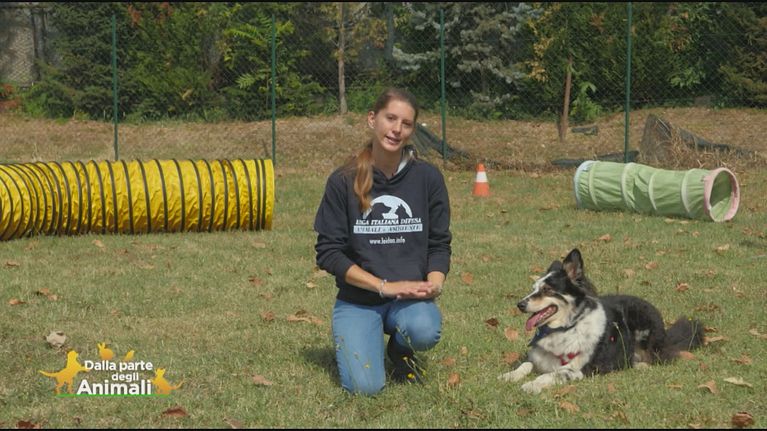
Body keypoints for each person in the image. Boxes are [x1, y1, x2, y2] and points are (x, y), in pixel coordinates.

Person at [313, 88, 452, 396]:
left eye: (406, 123)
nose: (397, 129)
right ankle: (364, 336)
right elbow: (329, 253)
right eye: (390, 118)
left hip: (409, 301)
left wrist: (434, 283)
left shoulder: (428, 178)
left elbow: (439, 243)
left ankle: (400, 349)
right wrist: (383, 286)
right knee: (365, 387)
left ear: (412, 130)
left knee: (424, 329)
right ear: (372, 119)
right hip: (359, 301)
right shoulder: (343, 180)